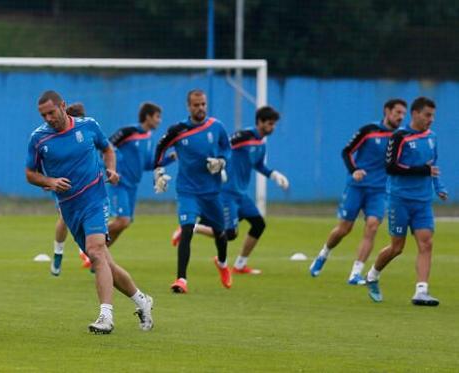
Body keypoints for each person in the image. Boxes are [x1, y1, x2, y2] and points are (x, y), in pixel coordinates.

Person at [26, 90, 153, 334]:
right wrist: (50, 181)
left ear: (63, 106)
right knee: (106, 263)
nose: (48, 118)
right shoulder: (38, 139)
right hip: (69, 207)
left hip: (95, 199)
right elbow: (31, 174)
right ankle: (141, 300)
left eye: (51, 112)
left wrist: (111, 170)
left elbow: (108, 150)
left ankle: (106, 317)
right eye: (43, 115)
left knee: (95, 253)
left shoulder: (89, 126)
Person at [173, 106, 289, 275]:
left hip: (241, 194)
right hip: (227, 193)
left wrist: (273, 175)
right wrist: (219, 165)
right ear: (260, 122)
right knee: (229, 233)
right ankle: (192, 228)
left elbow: (257, 164)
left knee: (259, 224)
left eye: (274, 124)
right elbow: (224, 144)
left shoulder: (261, 144)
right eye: (270, 123)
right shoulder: (245, 136)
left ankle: (240, 265)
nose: (272, 127)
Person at [309, 99, 407, 284]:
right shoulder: (368, 130)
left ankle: (355, 273)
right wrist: (354, 171)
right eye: (398, 112)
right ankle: (324, 254)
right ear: (387, 111)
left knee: (372, 226)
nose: (401, 117)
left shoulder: (401, 137)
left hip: (379, 191)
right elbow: (346, 151)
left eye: (403, 113)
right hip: (357, 187)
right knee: (344, 229)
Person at [365, 96, 448, 305]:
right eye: (428, 115)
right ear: (416, 114)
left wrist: (438, 187)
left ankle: (421, 291)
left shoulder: (432, 137)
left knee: (426, 242)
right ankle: (372, 275)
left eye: (433, 116)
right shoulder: (399, 137)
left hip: (422, 201)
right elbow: (391, 167)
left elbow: (433, 165)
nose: (431, 120)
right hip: (399, 199)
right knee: (397, 247)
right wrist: (422, 171)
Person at [154, 89, 231, 293]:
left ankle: (222, 264)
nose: (200, 108)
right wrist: (159, 172)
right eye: (196, 105)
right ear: (189, 107)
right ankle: (181, 279)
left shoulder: (216, 127)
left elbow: (226, 148)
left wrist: (222, 161)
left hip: (212, 191)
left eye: (203, 104)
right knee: (187, 229)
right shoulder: (178, 130)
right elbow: (160, 148)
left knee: (221, 234)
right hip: (188, 191)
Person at [107, 102, 170, 245]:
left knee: (125, 224)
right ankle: (92, 235)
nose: (159, 120)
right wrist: (112, 167)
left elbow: (148, 164)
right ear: (148, 117)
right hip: (120, 183)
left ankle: (98, 258)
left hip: (133, 186)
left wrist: (169, 159)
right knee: (123, 221)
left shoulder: (148, 137)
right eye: (157, 117)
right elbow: (106, 145)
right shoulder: (128, 131)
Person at [50, 102, 92, 276]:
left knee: (89, 215)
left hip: (85, 183)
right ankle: (58, 253)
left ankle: (87, 252)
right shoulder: (57, 136)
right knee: (65, 217)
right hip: (64, 184)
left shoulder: (88, 132)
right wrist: (48, 181)